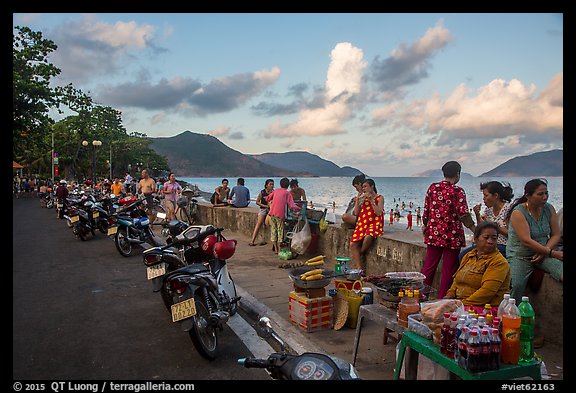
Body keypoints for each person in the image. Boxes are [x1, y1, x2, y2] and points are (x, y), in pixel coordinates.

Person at [421, 161, 475, 299]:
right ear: (457, 174)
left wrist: (426, 225)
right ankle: (442, 300)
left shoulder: (433, 188)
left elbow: (426, 211)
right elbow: (463, 214)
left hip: (434, 233)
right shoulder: (458, 191)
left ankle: (421, 296)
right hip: (452, 235)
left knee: (428, 267)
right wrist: (476, 229)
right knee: (448, 270)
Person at [506, 178, 563, 304]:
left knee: (561, 272)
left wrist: (545, 252)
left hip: (543, 252)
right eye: (540, 194)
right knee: (517, 285)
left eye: (546, 193)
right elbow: (526, 240)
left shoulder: (549, 209)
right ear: (528, 196)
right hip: (520, 255)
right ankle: (512, 314)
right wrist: (552, 253)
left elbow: (556, 234)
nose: (545, 197)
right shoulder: (518, 213)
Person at [444, 221, 511, 314]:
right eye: (486, 238)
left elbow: (486, 293)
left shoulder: (499, 262)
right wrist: (450, 294)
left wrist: (460, 304)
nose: (490, 241)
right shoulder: (469, 256)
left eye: (494, 238)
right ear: (476, 239)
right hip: (462, 303)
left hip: (485, 308)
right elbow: (457, 280)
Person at [459, 181, 514, 261]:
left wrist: (494, 226)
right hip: (488, 244)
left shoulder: (509, 210)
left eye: (486, 195)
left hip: (504, 245)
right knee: (463, 255)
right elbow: (482, 229)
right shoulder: (489, 210)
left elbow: (512, 234)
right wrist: (477, 215)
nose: (483, 199)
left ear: (496, 196)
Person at [350, 178, 384, 272]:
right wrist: (357, 201)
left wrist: (371, 201)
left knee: (368, 237)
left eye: (365, 186)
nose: (363, 189)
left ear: (372, 187)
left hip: (375, 222)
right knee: (353, 244)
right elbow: (356, 213)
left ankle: (361, 252)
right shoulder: (362, 198)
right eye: (363, 187)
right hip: (363, 222)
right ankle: (360, 268)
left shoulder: (379, 198)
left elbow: (379, 213)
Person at [266, 177, 302, 254]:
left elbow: (268, 198)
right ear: (288, 186)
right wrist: (299, 209)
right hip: (280, 215)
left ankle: (275, 249)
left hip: (272, 213)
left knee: (273, 231)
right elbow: (292, 205)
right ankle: (279, 249)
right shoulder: (287, 193)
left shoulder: (275, 191)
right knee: (280, 232)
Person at [249, 179, 274, 246]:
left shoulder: (274, 192)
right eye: (270, 184)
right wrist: (265, 206)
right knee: (259, 223)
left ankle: (270, 241)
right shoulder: (262, 192)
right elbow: (257, 202)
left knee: (271, 224)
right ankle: (252, 240)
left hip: (271, 210)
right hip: (263, 209)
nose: (271, 186)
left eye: (272, 184)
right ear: (266, 185)